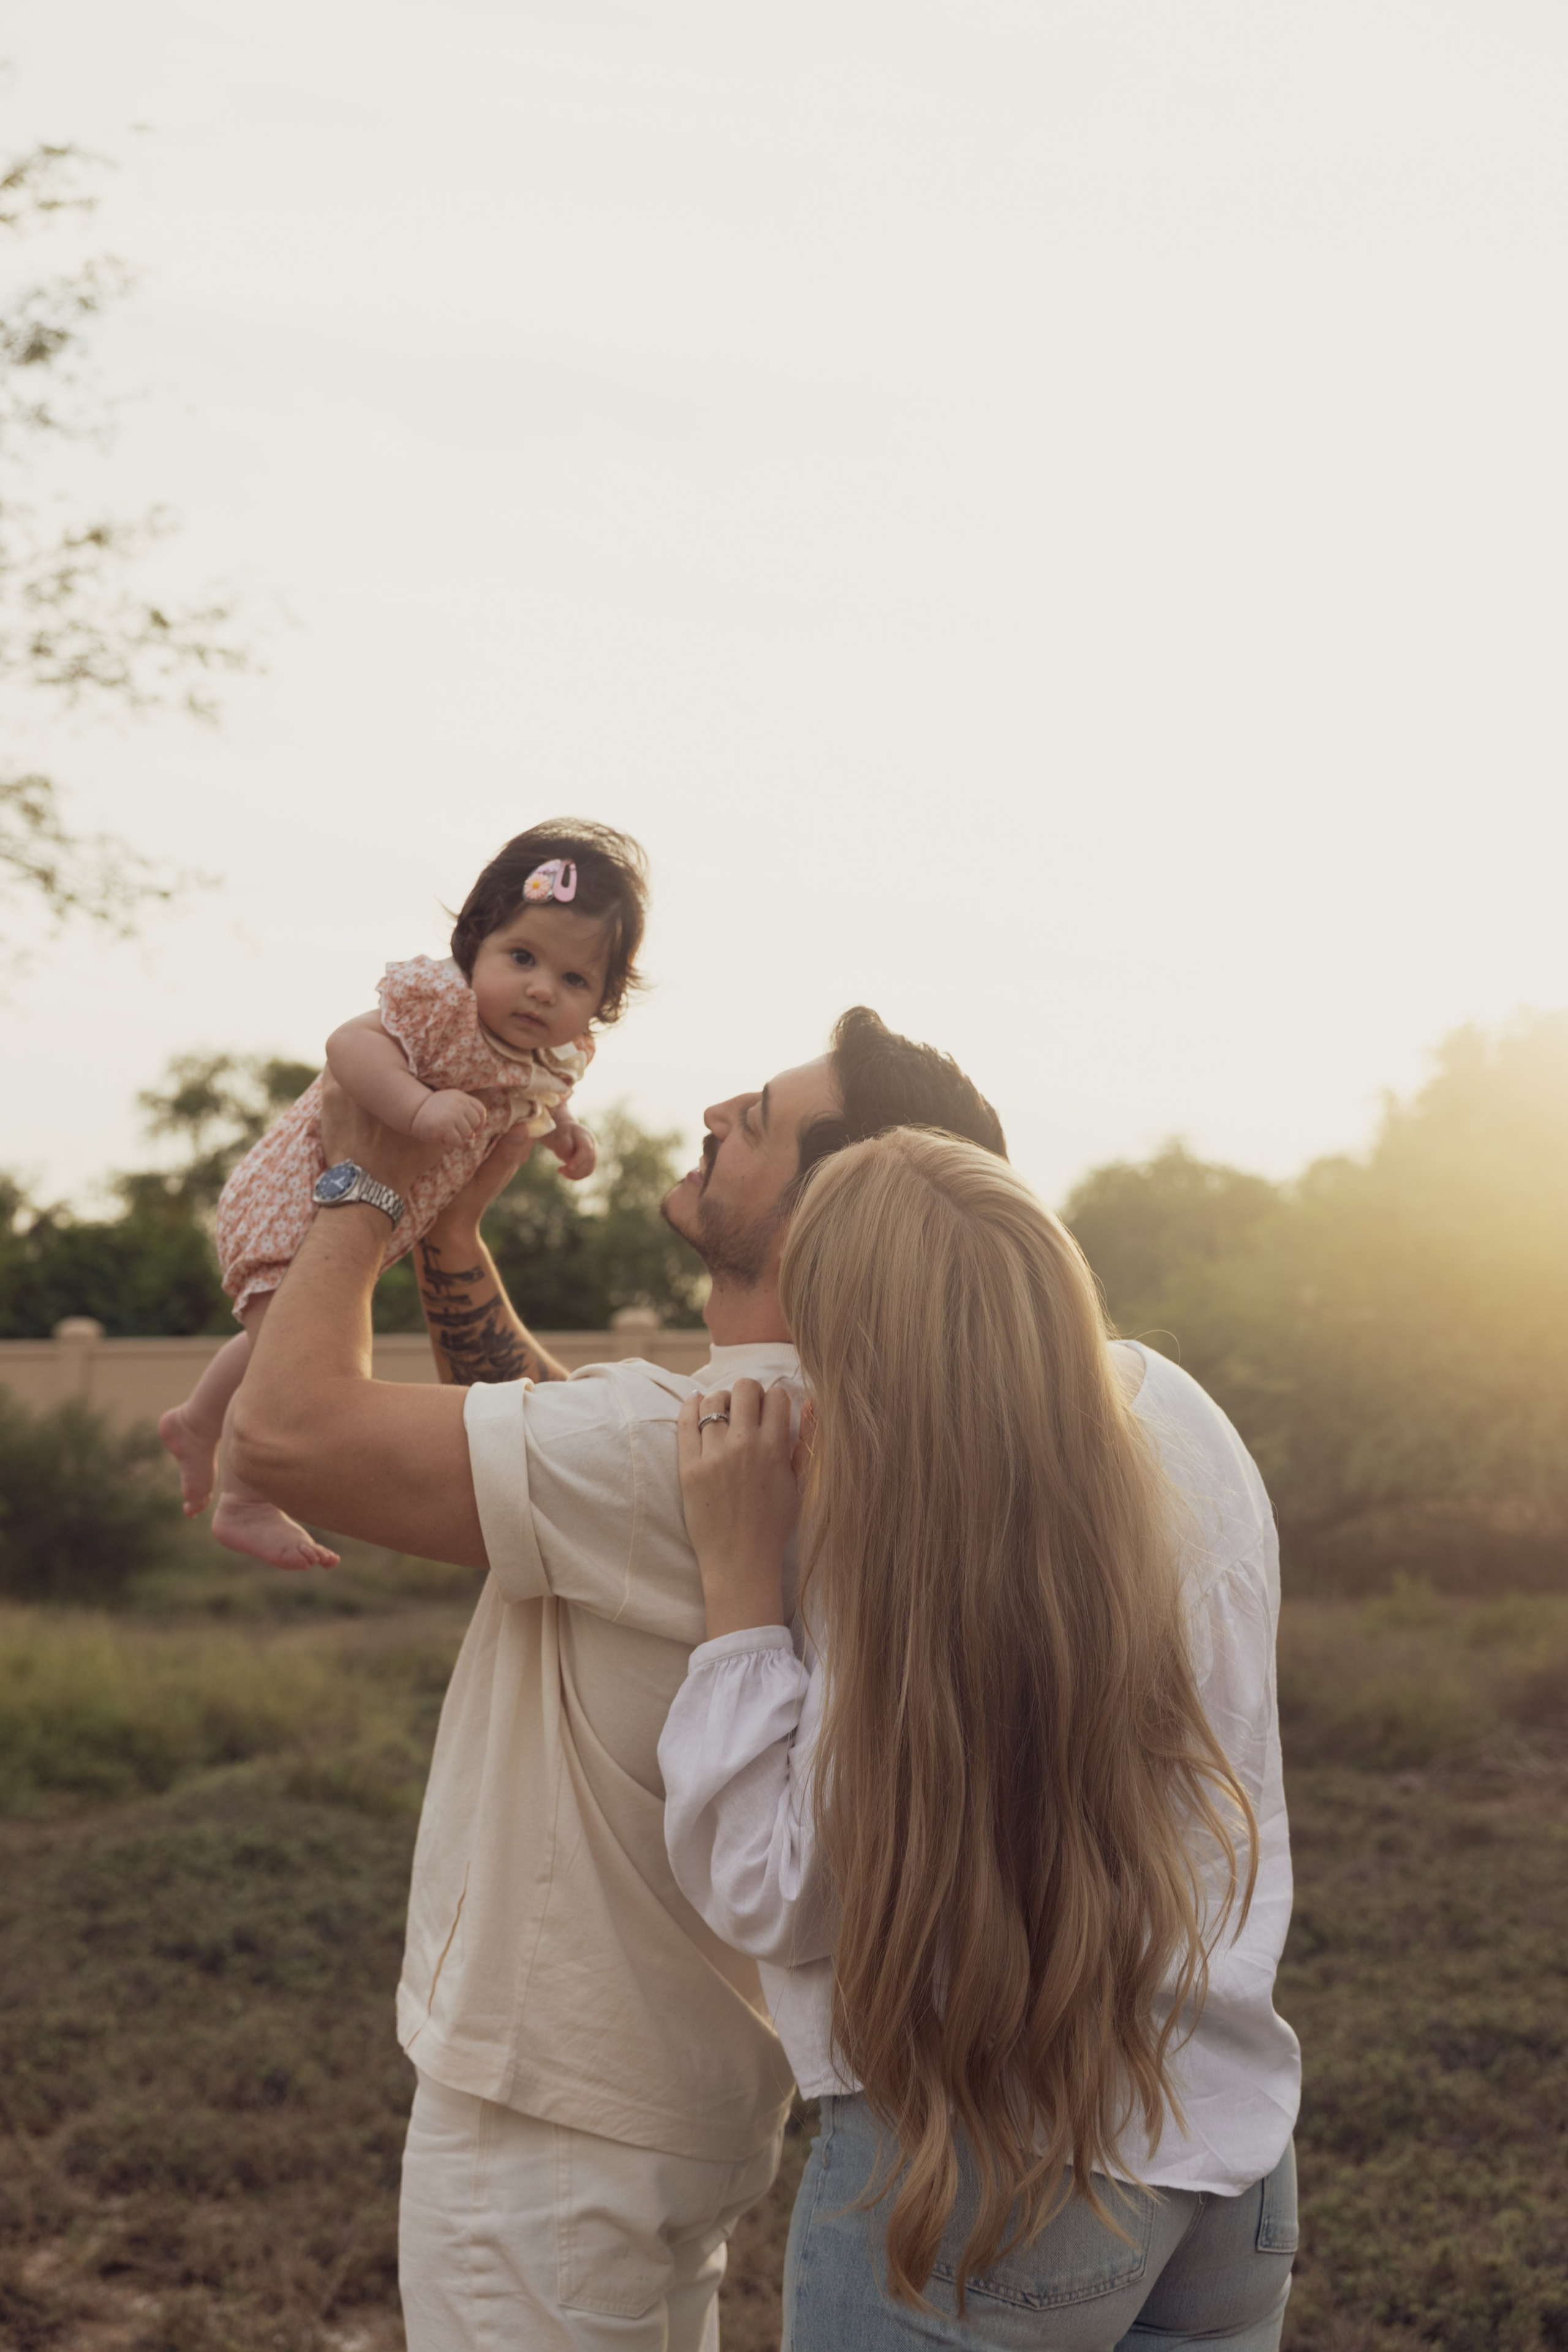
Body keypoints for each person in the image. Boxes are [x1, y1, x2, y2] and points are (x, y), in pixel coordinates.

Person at [228, 1006, 1007, 2352]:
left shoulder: (677, 1445)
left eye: (755, 1121)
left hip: (551, 2132)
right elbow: (557, 1453)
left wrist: (365, 1181)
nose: (713, 1115)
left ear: (826, 1214)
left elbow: (283, 1435)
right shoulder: (837, 1436)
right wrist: (455, 1245)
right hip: (679, 2098)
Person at [659, 1128, 1301, 2351]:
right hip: (1229, 2158)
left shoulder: (904, 1545)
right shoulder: (1186, 1417)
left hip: (981, 2179)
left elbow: (778, 1892)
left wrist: (739, 1587)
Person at [160, 819, 641, 1570]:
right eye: (521, 957)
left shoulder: (553, 1054)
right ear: (475, 943)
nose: (542, 989)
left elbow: (537, 1098)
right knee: (290, 1356)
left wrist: (564, 1132)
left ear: (603, 1001)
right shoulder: (443, 1004)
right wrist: (416, 1108)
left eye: (576, 980)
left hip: (376, 1214)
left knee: (276, 1334)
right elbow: (348, 1045)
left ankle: (197, 1420)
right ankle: (245, 1499)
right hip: (299, 1194)